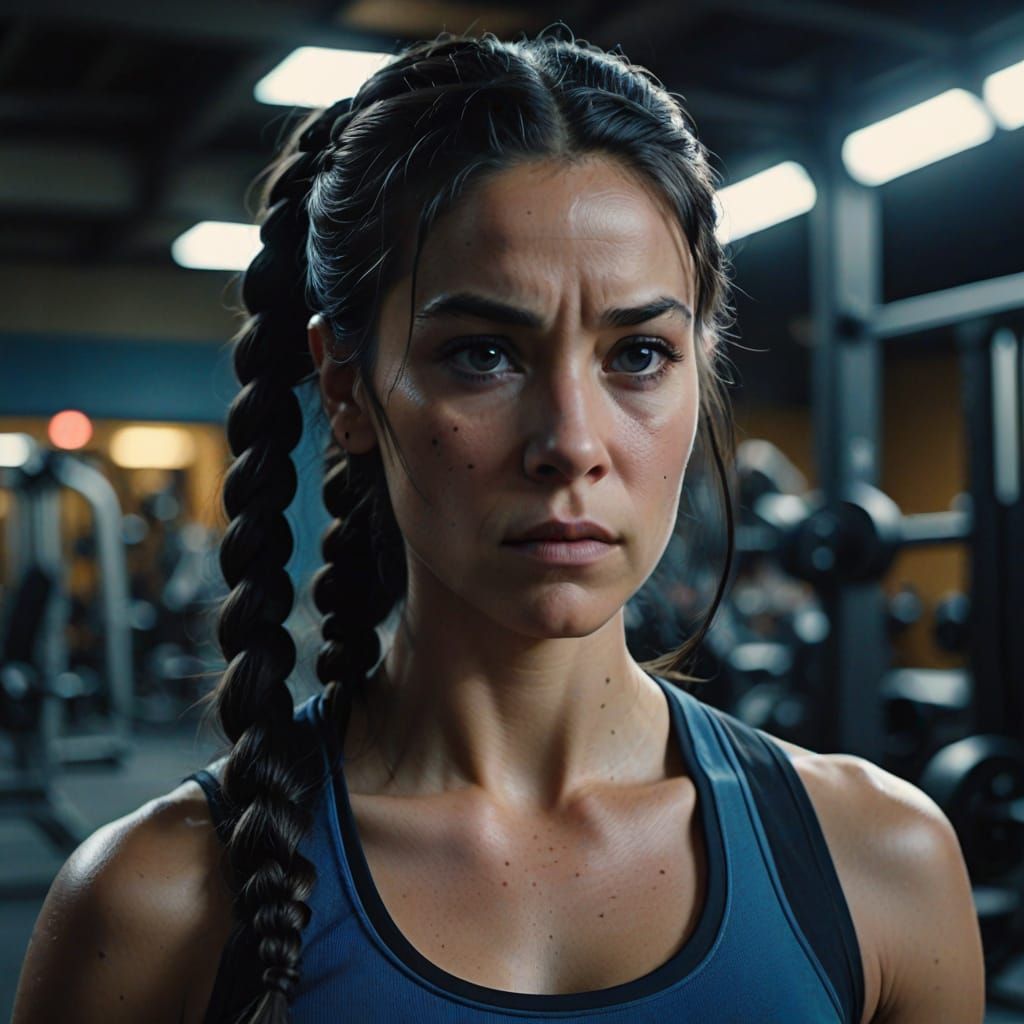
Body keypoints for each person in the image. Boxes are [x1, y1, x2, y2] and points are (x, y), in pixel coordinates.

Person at [13, 28, 984, 1024]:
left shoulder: (878, 861)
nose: (571, 441)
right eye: (482, 353)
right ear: (346, 387)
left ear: (702, 369)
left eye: (639, 355)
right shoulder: (155, 905)